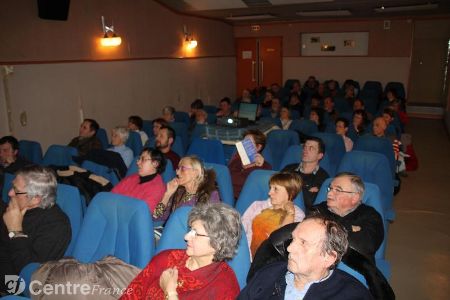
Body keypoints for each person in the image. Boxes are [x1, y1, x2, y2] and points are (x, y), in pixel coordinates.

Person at [122, 203, 241, 300]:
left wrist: (170, 292)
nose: (186, 236)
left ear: (217, 244)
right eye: (190, 230)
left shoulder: (225, 287)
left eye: (196, 233)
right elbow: (131, 293)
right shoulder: (167, 258)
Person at [239, 214, 373, 300]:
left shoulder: (353, 295)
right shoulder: (267, 275)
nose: (289, 248)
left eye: (303, 243)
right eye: (293, 239)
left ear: (329, 257)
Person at [0, 166, 71, 294]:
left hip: (12, 286)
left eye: (16, 190)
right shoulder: (17, 208)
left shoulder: (56, 225)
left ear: (36, 199)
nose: (10, 193)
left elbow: (31, 275)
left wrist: (15, 231)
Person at [313, 172, 384, 262]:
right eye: (330, 188)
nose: (329, 193)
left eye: (338, 190)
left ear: (355, 198)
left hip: (354, 267)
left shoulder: (371, 215)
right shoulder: (318, 210)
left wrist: (327, 229)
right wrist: (350, 228)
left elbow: (362, 247)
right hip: (317, 263)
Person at [242, 172, 305, 258]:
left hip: (272, 260)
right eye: (270, 188)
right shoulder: (257, 206)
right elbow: (240, 229)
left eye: (275, 189)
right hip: (246, 256)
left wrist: (290, 213)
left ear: (291, 192)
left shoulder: (298, 215)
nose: (269, 193)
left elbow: (281, 240)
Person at [153, 155, 220, 223]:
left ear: (195, 173)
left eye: (182, 169)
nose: (177, 172)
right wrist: (167, 194)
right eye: (178, 169)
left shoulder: (210, 195)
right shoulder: (177, 192)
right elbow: (157, 217)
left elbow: (211, 225)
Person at [112, 148, 166, 216]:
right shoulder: (132, 177)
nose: (138, 163)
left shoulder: (157, 188)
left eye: (143, 159)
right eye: (139, 159)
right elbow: (112, 195)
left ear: (155, 163)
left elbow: (142, 214)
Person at [282, 137, 329, 212]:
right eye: (305, 147)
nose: (305, 151)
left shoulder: (323, 177)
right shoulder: (288, 168)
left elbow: (310, 203)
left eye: (311, 148)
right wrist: (306, 190)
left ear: (320, 156)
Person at [228, 129, 272, 200]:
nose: (244, 145)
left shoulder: (265, 167)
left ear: (258, 147)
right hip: (225, 194)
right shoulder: (237, 159)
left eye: (248, 143)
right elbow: (226, 177)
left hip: (241, 199)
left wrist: (262, 165)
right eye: (243, 142)